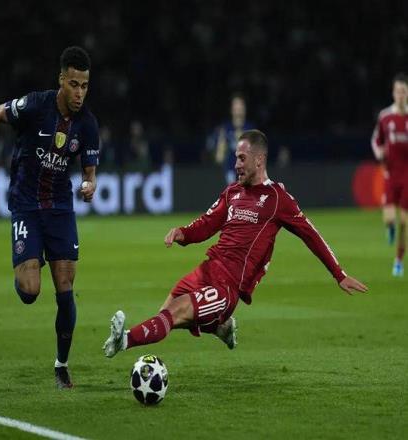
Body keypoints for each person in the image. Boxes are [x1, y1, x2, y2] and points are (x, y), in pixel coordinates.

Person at [103, 129, 367, 357]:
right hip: (206, 270)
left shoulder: (277, 198)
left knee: (175, 314)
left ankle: (123, 341)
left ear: (259, 159)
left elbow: (311, 234)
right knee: (166, 313)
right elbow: (207, 224)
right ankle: (220, 328)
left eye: (241, 158)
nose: (236, 164)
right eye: (235, 158)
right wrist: (182, 233)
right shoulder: (233, 191)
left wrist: (338, 274)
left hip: (226, 286)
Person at [0, 46, 99, 388]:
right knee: (30, 289)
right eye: (74, 84)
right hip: (26, 204)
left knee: (65, 286)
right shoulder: (36, 105)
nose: (79, 93)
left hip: (60, 207)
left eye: (84, 86)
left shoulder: (88, 124)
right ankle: (27, 267)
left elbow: (89, 173)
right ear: (61, 80)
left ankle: (61, 365)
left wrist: (89, 186)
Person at [371, 73, 408, 277]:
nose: (400, 95)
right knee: (389, 219)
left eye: (404, 91)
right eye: (398, 91)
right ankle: (389, 228)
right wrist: (378, 152)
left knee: (404, 223)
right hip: (390, 174)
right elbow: (376, 139)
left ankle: (398, 261)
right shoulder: (385, 116)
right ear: (393, 93)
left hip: (407, 176)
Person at [211, 93, 254, 184]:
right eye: (235, 106)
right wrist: (222, 146)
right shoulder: (225, 129)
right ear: (231, 109)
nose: (238, 109)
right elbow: (219, 158)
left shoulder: (251, 129)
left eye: (240, 106)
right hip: (229, 174)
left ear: (245, 108)